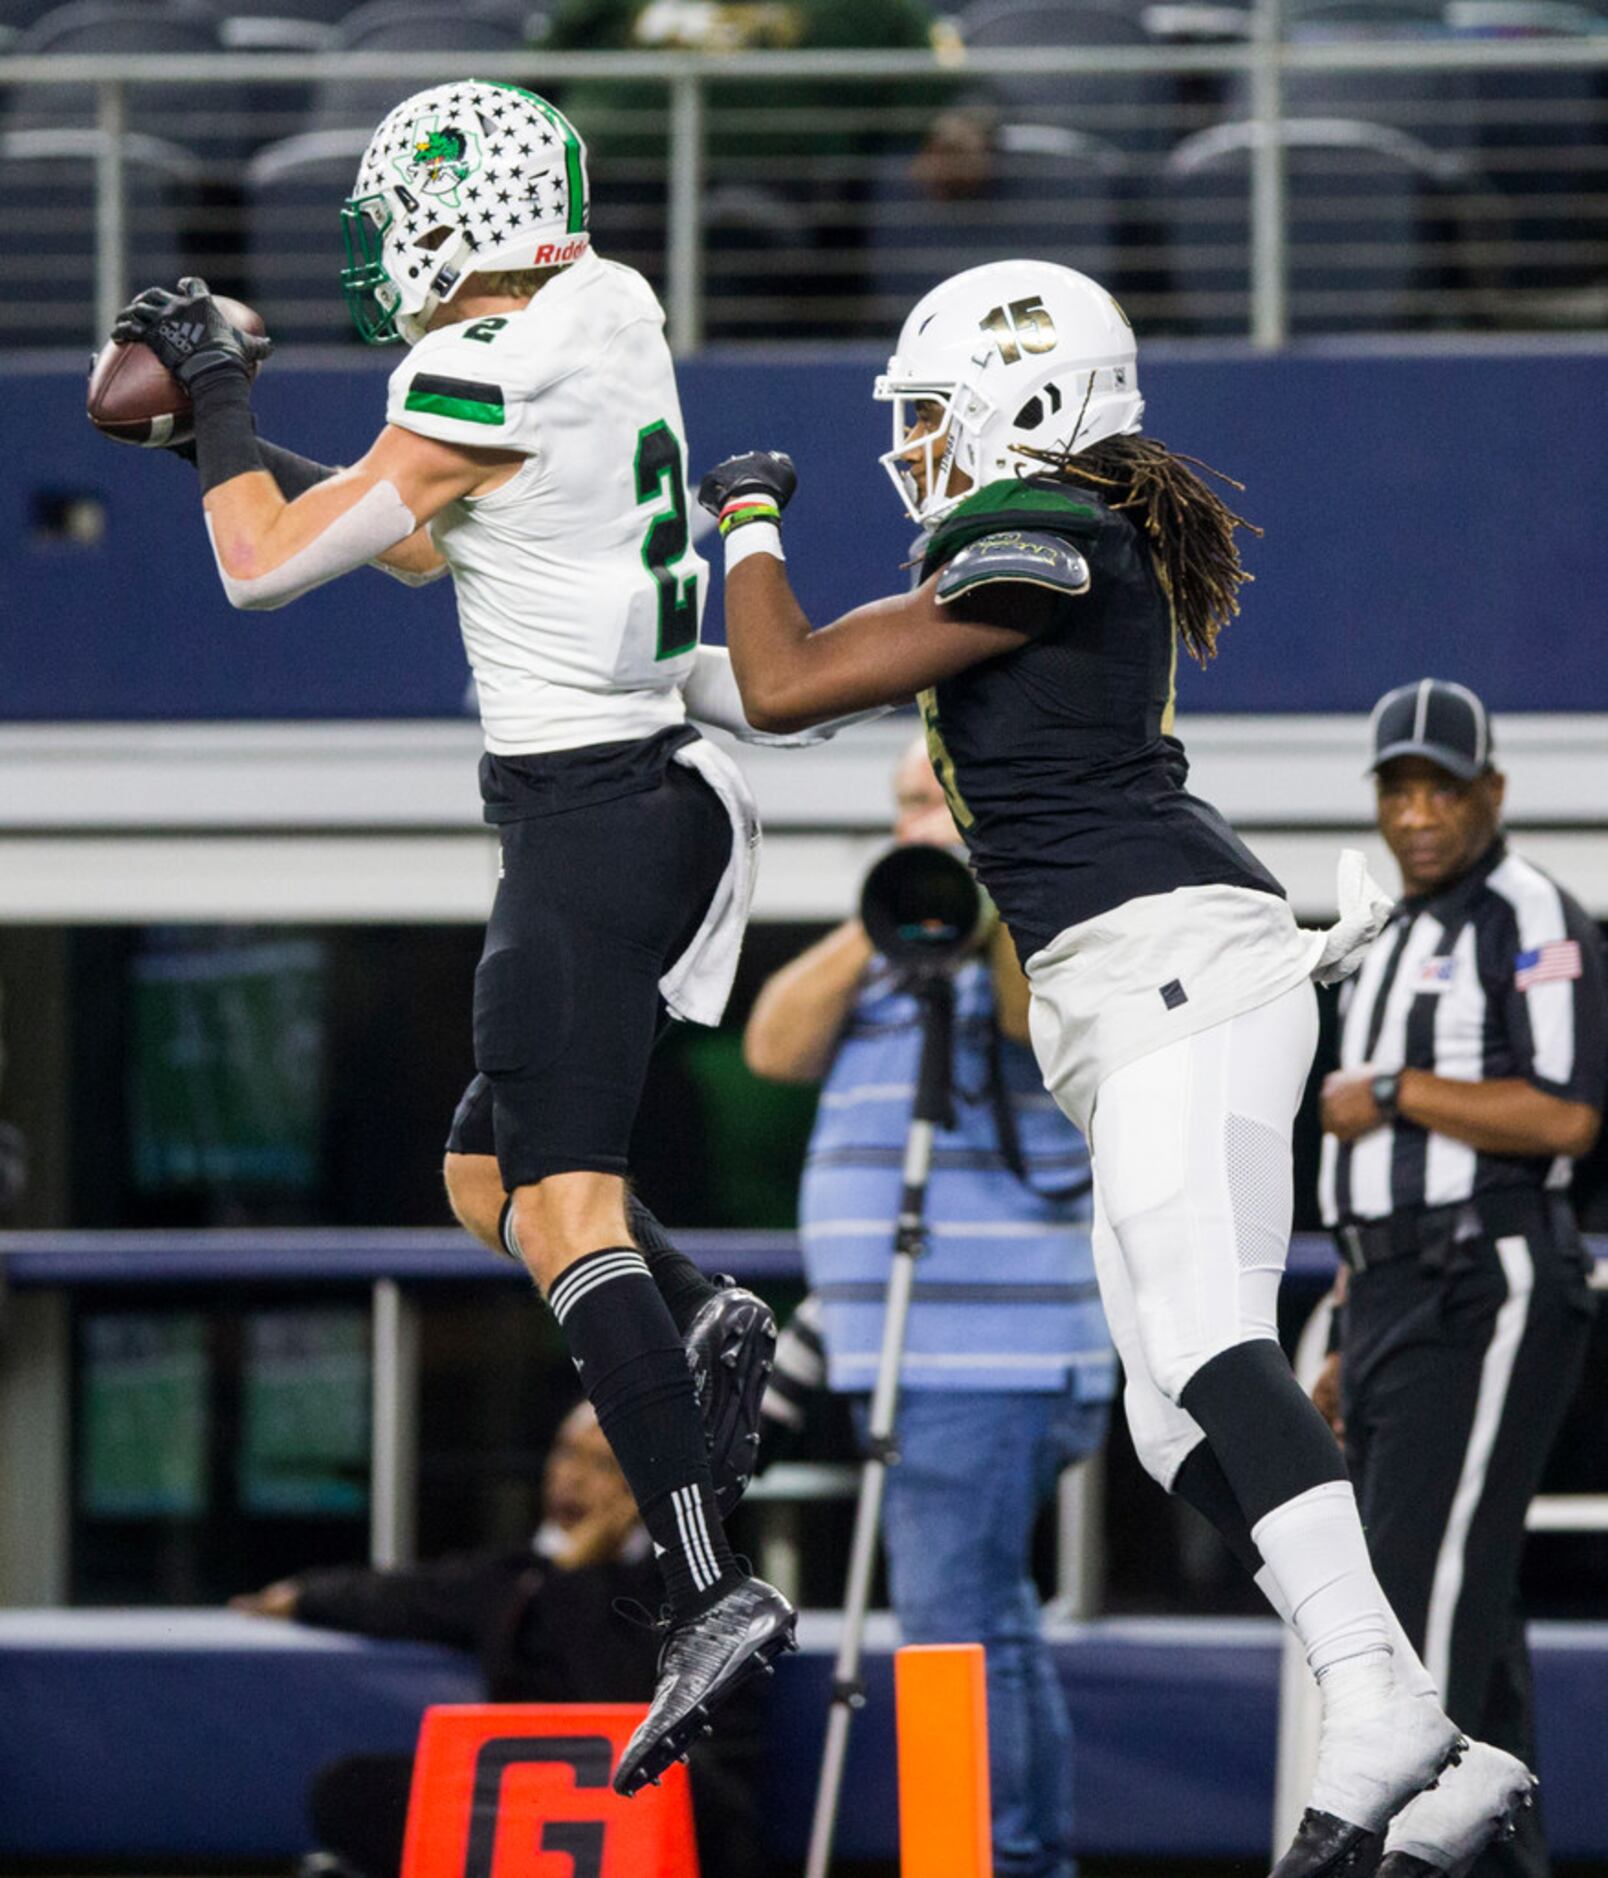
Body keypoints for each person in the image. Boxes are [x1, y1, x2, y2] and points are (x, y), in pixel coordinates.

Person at [694, 258, 1535, 1877]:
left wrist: (743, 516)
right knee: (1168, 1416)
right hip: (1136, 986)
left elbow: (785, 681)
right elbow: (766, 675)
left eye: (934, 412)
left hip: (1178, 970)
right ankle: (1434, 1733)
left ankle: (1369, 1695)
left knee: (1214, 1345)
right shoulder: (1040, 548)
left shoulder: (1052, 534)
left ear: (1025, 401)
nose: (914, 445)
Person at [100, 79, 818, 1794]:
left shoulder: (480, 366)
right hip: (647, 793)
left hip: (589, 819)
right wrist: (226, 431)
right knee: (486, 1180)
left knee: (561, 1203)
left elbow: (263, 573)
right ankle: (706, 1310)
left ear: (452, 211)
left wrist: (213, 414)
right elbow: (417, 536)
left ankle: (708, 1585)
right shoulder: (602, 308)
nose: (376, 250)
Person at [744, 735, 1114, 1878]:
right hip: (915, 1358)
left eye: (942, 805)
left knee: (956, 1639)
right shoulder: (886, 958)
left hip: (985, 1363)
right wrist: (890, 918)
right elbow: (769, 1045)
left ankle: (993, 1862)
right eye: (908, 806)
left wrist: (987, 901)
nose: (923, 827)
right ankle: (1024, 1856)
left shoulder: (1050, 940)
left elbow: (1026, 1028)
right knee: (990, 1628)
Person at [1315, 679, 1605, 1878]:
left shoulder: (1534, 913)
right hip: (1384, 1293)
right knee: (1459, 1619)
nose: (1421, 813)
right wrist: (1342, 1323)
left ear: (1493, 792)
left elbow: (1567, 1115)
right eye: (1399, 789)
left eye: (1444, 787)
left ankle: (1403, 1858)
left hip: (1483, 1278)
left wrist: (1392, 1092)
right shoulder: (1382, 937)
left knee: (1415, 1613)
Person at [234, 1401, 763, 1878]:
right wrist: (304, 1596)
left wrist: (582, 1574)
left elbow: (614, 1703)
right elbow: (407, 1595)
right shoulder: (516, 1575)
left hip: (647, 1802)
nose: (571, 1479)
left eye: (602, 1466)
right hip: (523, 1799)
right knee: (349, 1790)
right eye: (565, 1455)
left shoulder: (701, 1592)